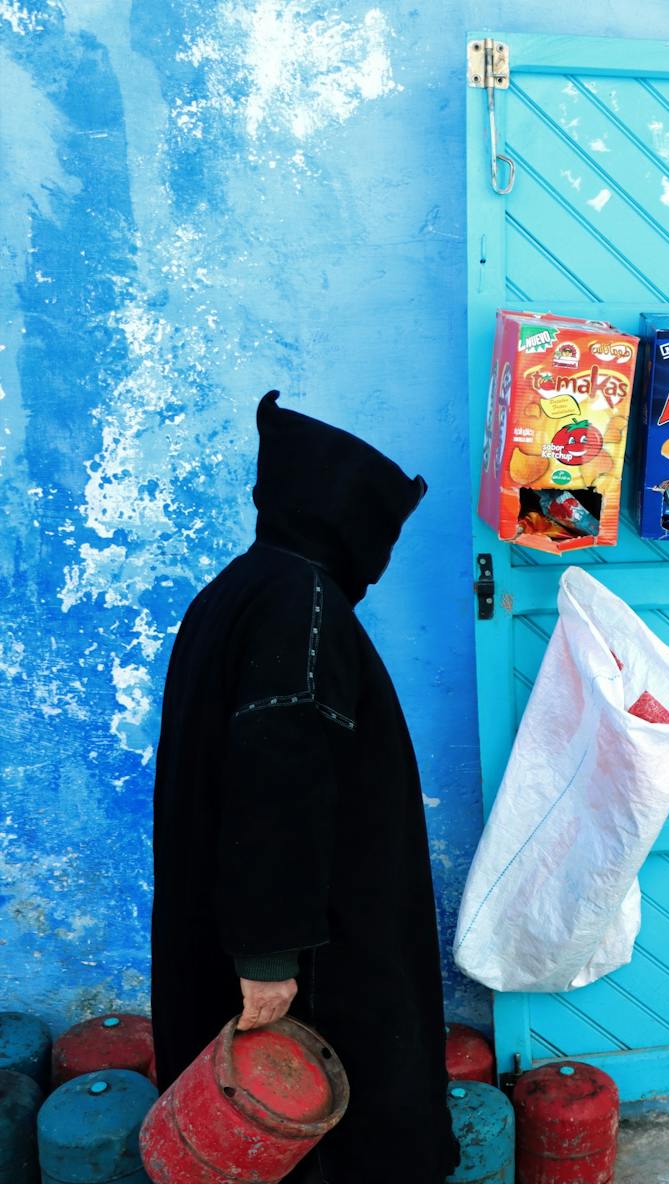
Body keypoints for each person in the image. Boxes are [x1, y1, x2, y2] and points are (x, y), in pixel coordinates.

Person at [150, 392, 458, 1183]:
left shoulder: (243, 587)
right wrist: (268, 955)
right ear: (344, 519)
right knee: (336, 1126)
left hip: (259, 920)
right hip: (319, 947)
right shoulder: (302, 603)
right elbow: (276, 781)